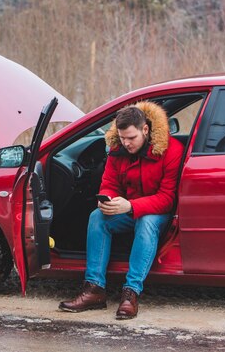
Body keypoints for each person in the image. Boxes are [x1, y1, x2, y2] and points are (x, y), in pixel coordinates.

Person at [59, 101, 183, 319]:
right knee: (97, 217)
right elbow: (109, 183)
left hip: (158, 212)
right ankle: (94, 289)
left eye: (131, 138)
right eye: (122, 138)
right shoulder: (117, 150)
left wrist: (132, 205)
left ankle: (130, 293)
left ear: (145, 129)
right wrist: (106, 199)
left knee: (146, 222)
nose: (126, 143)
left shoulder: (171, 150)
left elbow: (167, 199)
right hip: (126, 208)